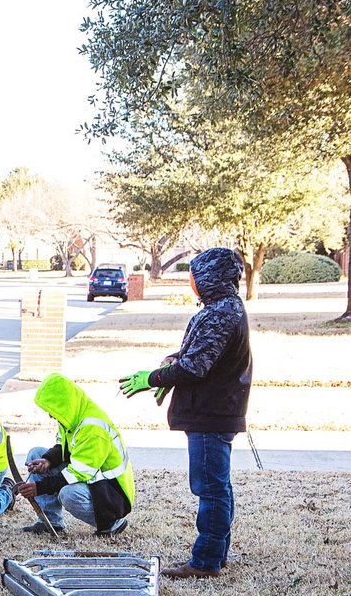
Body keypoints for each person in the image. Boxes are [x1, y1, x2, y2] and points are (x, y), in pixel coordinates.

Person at [118, 247, 252, 578]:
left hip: (211, 413)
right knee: (217, 487)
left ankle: (205, 561)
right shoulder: (225, 309)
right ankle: (216, 555)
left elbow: (195, 367)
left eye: (195, 275)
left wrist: (152, 378)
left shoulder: (220, 313)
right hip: (215, 410)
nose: (191, 282)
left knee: (210, 489)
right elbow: (199, 353)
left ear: (209, 277)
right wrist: (172, 358)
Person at [16, 374, 134, 536]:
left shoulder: (93, 427)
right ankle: (51, 522)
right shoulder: (72, 416)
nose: (51, 415)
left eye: (52, 410)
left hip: (111, 493)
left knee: (69, 495)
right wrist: (48, 460)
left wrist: (40, 488)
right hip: (94, 481)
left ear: (63, 405)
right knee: (36, 453)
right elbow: (64, 448)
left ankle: (112, 523)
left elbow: (78, 472)